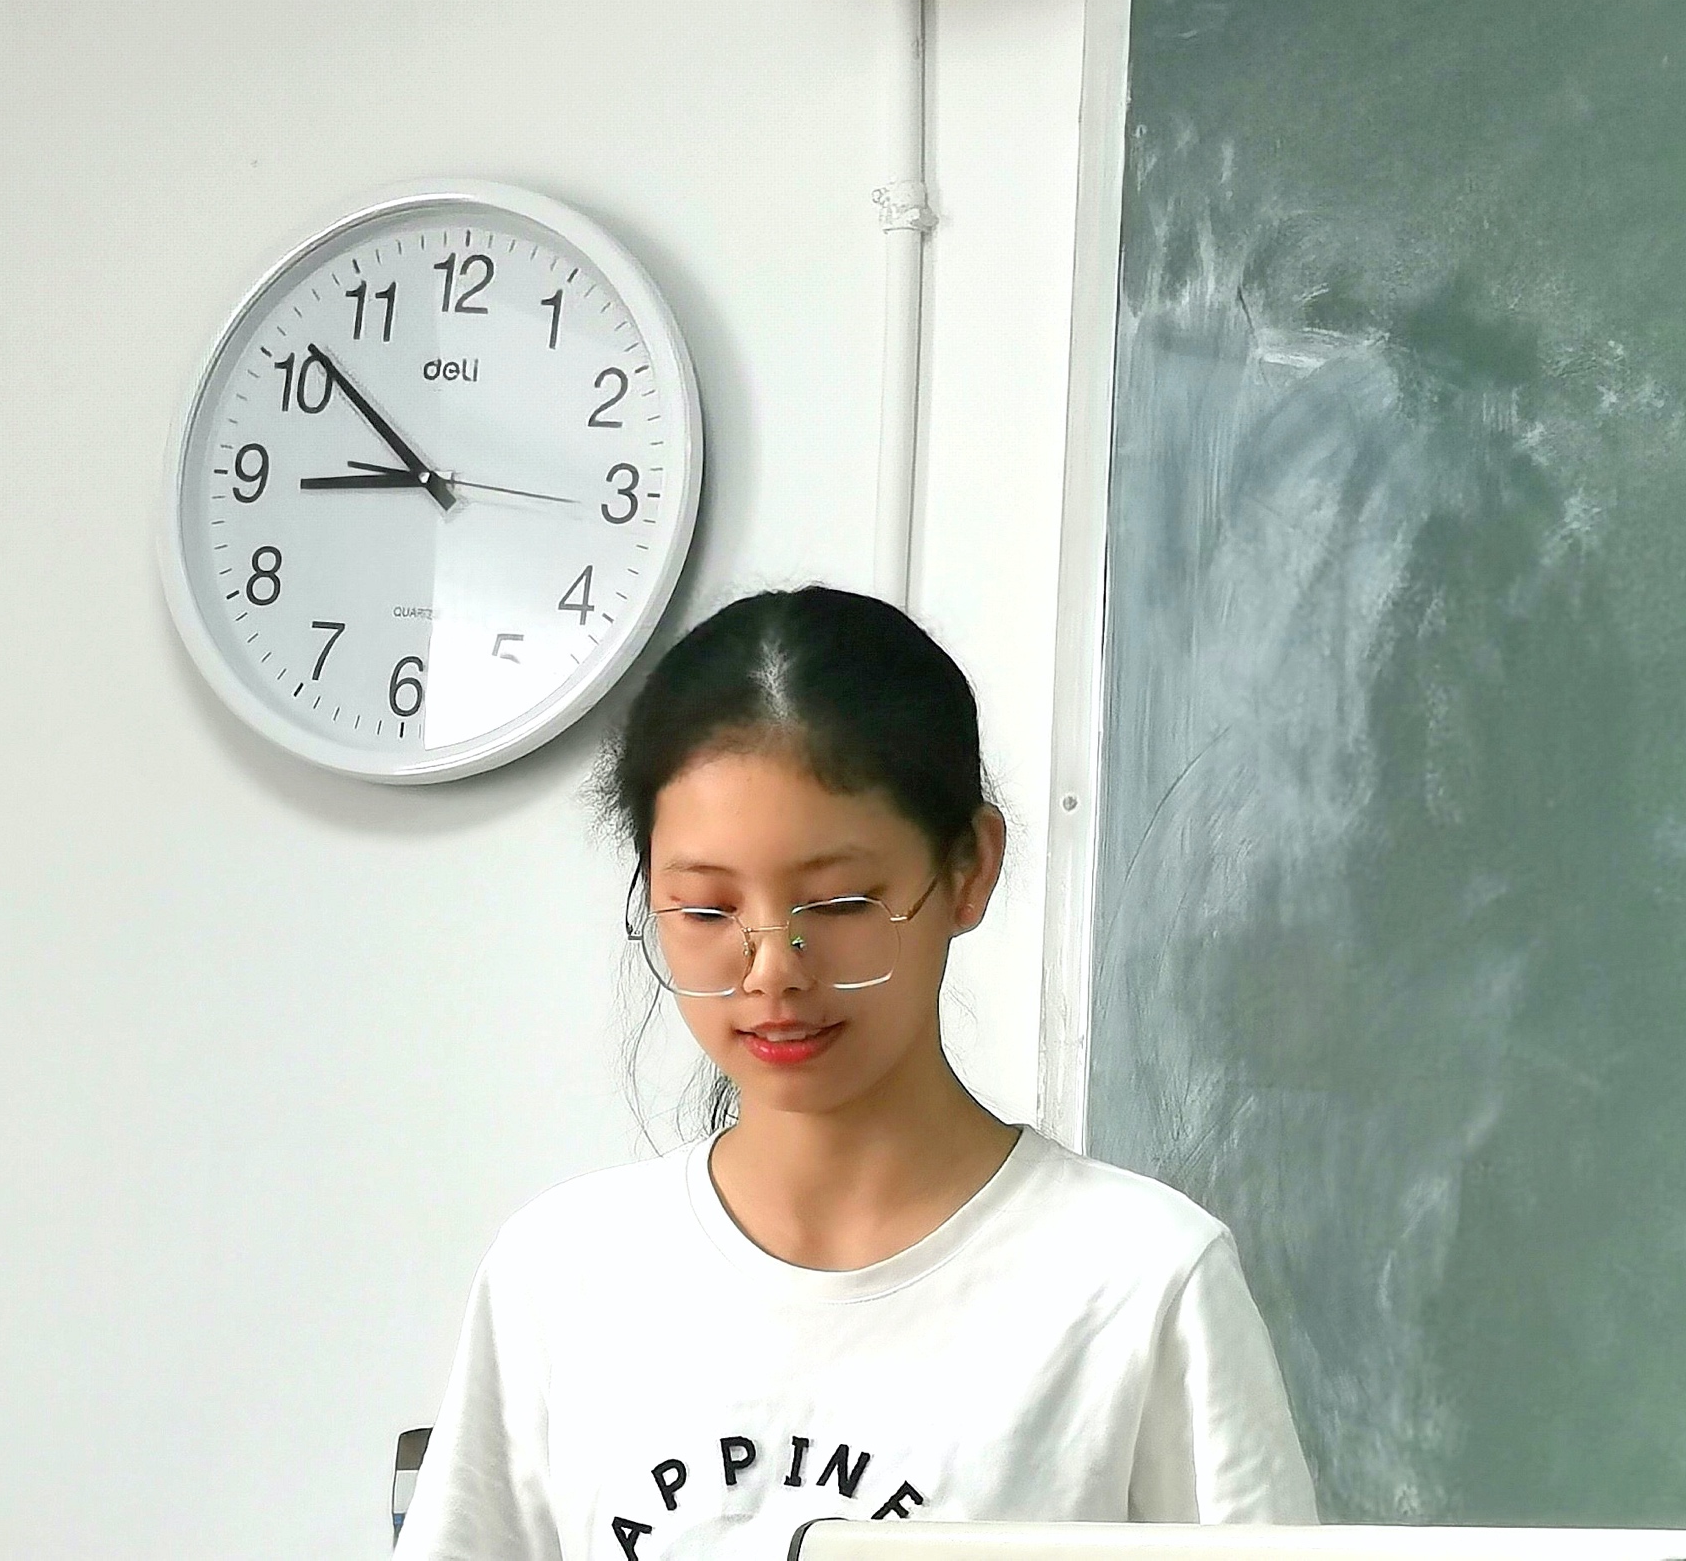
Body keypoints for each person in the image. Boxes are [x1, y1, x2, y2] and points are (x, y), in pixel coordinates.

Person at [396, 587, 1318, 1561]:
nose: (772, 970)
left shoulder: (1135, 1278)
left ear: (968, 868)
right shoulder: (563, 1273)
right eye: (705, 911)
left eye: (839, 903)